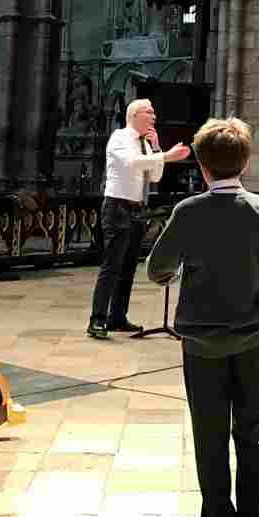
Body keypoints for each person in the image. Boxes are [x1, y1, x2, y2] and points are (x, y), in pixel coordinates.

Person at [146, 117, 259, 517]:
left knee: (209, 434)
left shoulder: (187, 212)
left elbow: (157, 269)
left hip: (201, 343)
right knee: (251, 431)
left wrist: (181, 268)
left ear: (199, 164)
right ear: (247, 161)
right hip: (254, 338)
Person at [87, 98, 190, 339]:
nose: (154, 116)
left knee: (128, 268)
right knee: (111, 266)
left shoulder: (145, 144)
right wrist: (166, 156)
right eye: (149, 112)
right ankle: (97, 319)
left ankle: (117, 318)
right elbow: (132, 163)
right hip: (117, 207)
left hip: (136, 210)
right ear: (134, 115)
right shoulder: (120, 137)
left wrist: (156, 149)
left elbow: (154, 176)